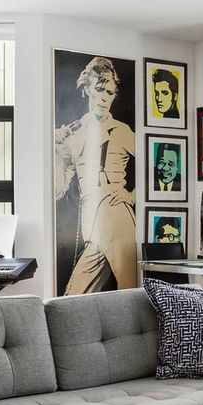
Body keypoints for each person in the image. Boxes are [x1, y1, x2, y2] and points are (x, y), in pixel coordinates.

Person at [53, 56, 136, 293]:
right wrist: (56, 152)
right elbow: (58, 190)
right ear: (87, 88)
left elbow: (159, 163)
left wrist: (131, 196)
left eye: (110, 93)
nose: (104, 97)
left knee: (131, 291)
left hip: (116, 215)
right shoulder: (73, 132)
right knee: (73, 297)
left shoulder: (122, 130)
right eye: (99, 89)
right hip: (93, 222)